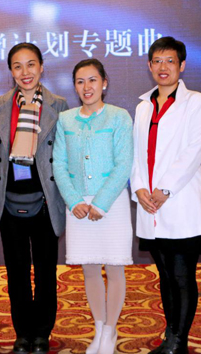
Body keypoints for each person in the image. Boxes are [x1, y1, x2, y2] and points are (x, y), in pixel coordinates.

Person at [130, 37, 201, 354]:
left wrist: (164, 189)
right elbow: (136, 155)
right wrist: (139, 187)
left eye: (170, 61)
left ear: (182, 65)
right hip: (149, 204)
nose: (163, 67)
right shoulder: (142, 106)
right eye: (157, 61)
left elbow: (194, 151)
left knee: (181, 274)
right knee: (164, 275)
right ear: (149, 65)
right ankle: (171, 337)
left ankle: (179, 342)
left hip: (180, 201)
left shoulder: (197, 102)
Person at [0, 42, 68, 354]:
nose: (25, 72)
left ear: (41, 67)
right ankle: (23, 333)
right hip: (9, 200)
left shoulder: (58, 105)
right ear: (11, 71)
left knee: (46, 272)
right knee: (17, 273)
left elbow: (63, 154)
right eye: (18, 66)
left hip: (45, 201)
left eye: (31, 64)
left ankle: (42, 334)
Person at [52, 59, 133, 354]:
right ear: (75, 86)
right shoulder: (65, 119)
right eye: (80, 81)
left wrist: (101, 202)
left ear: (104, 83)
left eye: (92, 80)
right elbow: (58, 164)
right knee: (89, 269)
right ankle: (99, 330)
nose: (87, 87)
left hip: (111, 203)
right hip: (78, 206)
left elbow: (124, 163)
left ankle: (110, 331)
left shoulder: (119, 117)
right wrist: (74, 200)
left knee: (114, 268)